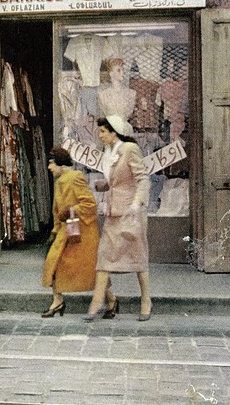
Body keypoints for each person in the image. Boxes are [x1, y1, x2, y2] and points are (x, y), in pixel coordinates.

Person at [85, 115, 152, 321]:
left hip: (131, 214)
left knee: (137, 259)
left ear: (114, 132)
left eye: (104, 131)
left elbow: (142, 179)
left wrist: (137, 202)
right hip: (113, 213)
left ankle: (146, 299)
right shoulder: (109, 152)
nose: (100, 135)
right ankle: (96, 303)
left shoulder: (129, 150)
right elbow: (117, 181)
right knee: (104, 257)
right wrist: (103, 185)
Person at [41, 147, 100, 318]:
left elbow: (90, 204)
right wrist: (54, 230)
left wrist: (72, 210)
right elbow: (57, 210)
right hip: (64, 230)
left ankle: (111, 300)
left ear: (60, 163)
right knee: (53, 263)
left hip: (82, 233)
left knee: (90, 271)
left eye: (51, 164)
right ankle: (57, 301)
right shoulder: (60, 180)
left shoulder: (74, 178)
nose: (49, 168)